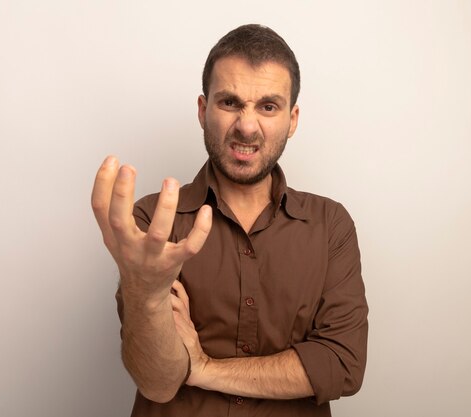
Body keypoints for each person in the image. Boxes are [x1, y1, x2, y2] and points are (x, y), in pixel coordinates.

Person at [91, 24, 368, 417]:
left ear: (292, 119)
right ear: (204, 111)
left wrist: (204, 369)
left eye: (268, 106)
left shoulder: (330, 226)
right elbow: (159, 381)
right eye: (230, 103)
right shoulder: (154, 223)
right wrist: (147, 296)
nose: (247, 126)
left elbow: (341, 366)